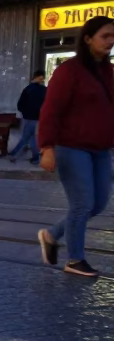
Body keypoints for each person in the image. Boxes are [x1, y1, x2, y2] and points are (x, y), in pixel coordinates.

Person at [37, 16, 114, 278]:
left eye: (113, 36)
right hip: (72, 147)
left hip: (101, 149)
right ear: (88, 38)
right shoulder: (68, 71)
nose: (111, 41)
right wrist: (47, 147)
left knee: (99, 203)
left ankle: (52, 234)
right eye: (105, 36)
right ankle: (75, 260)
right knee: (82, 204)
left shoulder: (108, 71)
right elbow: (51, 111)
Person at [10, 70, 47, 163]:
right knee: (32, 138)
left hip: (29, 117)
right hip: (39, 118)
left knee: (26, 137)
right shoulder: (45, 90)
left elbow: (20, 105)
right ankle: (35, 158)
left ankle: (14, 154)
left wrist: (25, 112)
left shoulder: (28, 89)